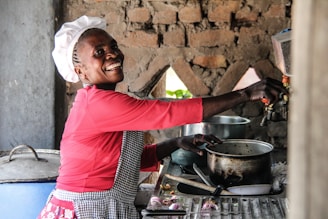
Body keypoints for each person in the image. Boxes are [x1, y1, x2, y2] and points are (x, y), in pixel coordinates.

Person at [38, 15, 288, 219]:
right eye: (99, 52)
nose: (112, 54)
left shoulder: (100, 102)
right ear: (80, 71)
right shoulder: (99, 104)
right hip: (85, 210)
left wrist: (174, 144)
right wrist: (245, 93)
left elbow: (120, 162)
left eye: (113, 46)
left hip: (98, 206)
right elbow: (168, 113)